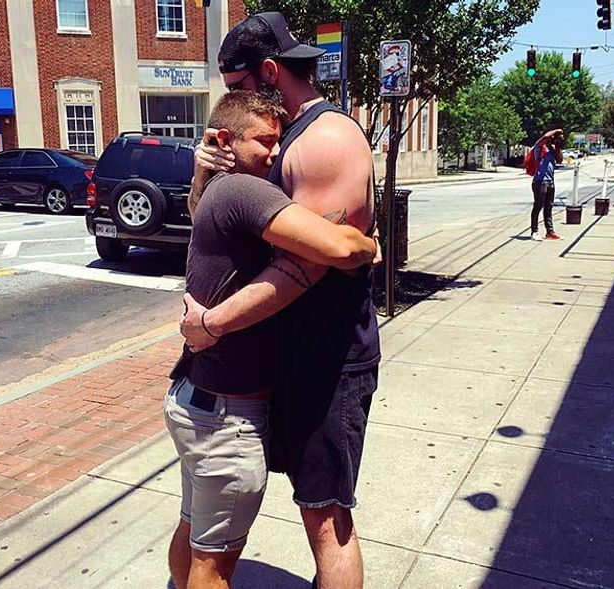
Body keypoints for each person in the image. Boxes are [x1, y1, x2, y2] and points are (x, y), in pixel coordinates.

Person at [181, 12, 379, 589]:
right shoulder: (275, 140)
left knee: (325, 517)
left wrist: (213, 324)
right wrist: (203, 177)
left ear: (268, 72)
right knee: (227, 513)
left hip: (327, 359)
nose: (233, 105)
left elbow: (311, 263)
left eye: (238, 87)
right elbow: (214, 228)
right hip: (285, 359)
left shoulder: (324, 139)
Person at [531, 128, 564, 241]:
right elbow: (545, 137)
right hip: (540, 181)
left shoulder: (552, 149)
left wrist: (558, 147)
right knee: (538, 206)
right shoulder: (539, 147)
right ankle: (534, 231)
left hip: (550, 181)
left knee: (548, 207)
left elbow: (560, 160)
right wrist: (556, 131)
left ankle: (549, 232)